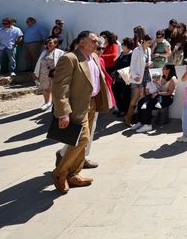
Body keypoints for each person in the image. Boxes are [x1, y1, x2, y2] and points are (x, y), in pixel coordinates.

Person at [51, 31, 111, 194]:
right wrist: (63, 112)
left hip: (92, 104)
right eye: (93, 40)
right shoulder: (70, 58)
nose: (97, 43)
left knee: (84, 139)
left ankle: (73, 174)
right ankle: (60, 173)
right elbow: (59, 87)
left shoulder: (95, 58)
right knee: (82, 138)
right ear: (82, 41)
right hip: (76, 106)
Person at [132, 69, 175, 134]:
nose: (163, 70)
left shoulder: (172, 79)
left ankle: (147, 124)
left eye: (165, 68)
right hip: (155, 95)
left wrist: (157, 93)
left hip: (164, 96)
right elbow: (148, 90)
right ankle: (140, 121)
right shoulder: (161, 78)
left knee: (148, 104)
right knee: (141, 101)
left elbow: (167, 92)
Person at [124, 35, 152, 126]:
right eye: (148, 42)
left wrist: (149, 64)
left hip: (146, 75)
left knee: (143, 96)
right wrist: (135, 75)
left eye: (150, 42)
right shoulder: (137, 50)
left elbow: (147, 62)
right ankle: (128, 117)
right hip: (138, 76)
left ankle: (141, 117)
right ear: (144, 41)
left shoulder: (148, 50)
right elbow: (132, 65)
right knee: (136, 96)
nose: (150, 44)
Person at [34, 37, 64, 112]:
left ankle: (54, 104)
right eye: (47, 43)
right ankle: (47, 102)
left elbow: (62, 63)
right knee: (46, 88)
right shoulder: (44, 52)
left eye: (51, 43)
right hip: (44, 74)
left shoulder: (60, 52)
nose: (48, 44)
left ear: (56, 44)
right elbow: (38, 62)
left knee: (54, 89)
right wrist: (35, 72)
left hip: (54, 73)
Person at [112, 38, 134, 115]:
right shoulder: (121, 53)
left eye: (123, 44)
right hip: (118, 78)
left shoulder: (131, 55)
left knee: (125, 95)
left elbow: (132, 67)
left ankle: (124, 110)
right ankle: (120, 108)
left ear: (127, 46)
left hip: (125, 79)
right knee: (116, 92)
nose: (121, 45)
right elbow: (117, 63)